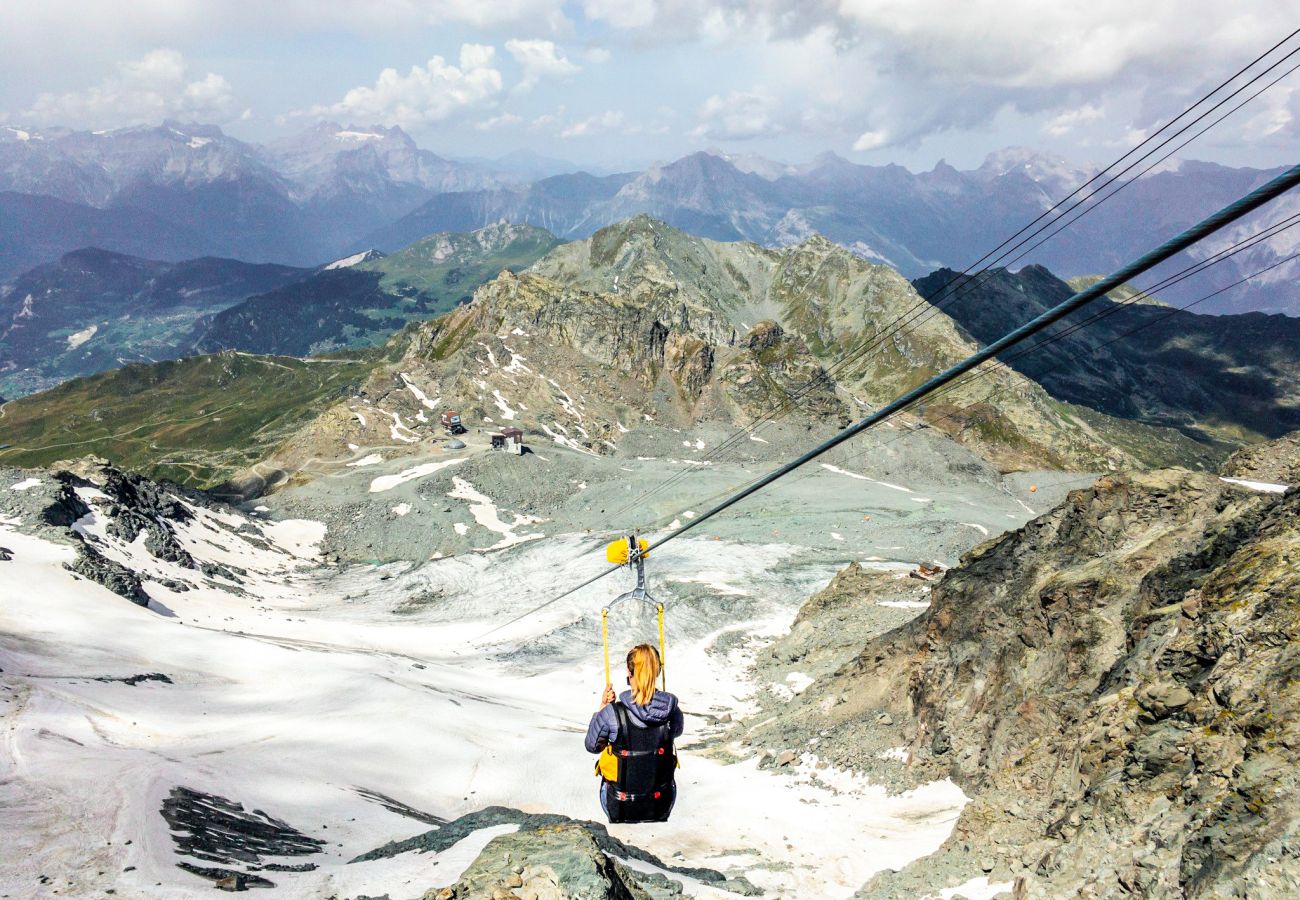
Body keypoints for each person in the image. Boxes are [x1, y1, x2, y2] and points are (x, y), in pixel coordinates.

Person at [584, 643, 683, 822]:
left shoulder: (612, 713)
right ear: (657, 673)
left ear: (629, 674)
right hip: (661, 803)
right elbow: (676, 732)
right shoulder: (671, 712)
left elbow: (592, 746)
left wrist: (603, 707)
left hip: (619, 806)